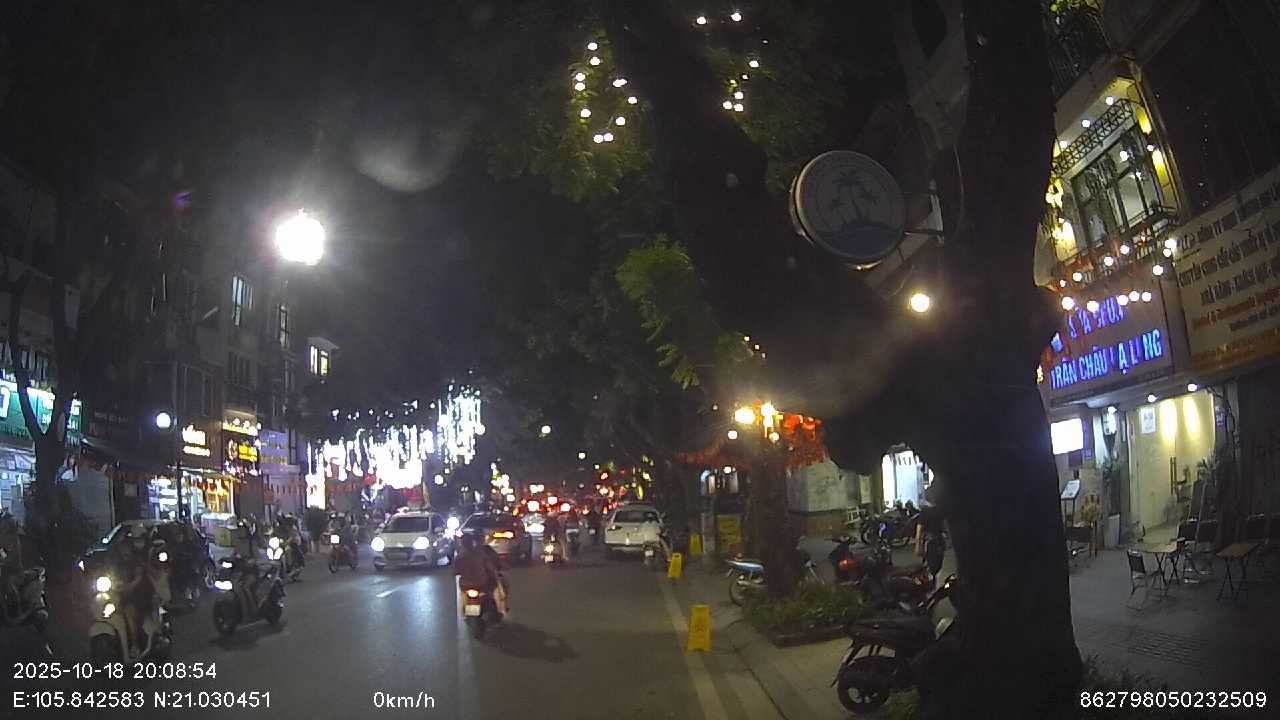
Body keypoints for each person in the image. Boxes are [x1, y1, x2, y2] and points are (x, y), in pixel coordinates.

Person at [914, 499, 946, 577]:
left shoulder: (924, 512)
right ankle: (934, 579)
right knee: (937, 566)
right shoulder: (940, 510)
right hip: (939, 542)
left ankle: (931, 580)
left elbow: (919, 530)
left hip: (930, 543)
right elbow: (945, 526)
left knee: (930, 566)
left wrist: (918, 545)